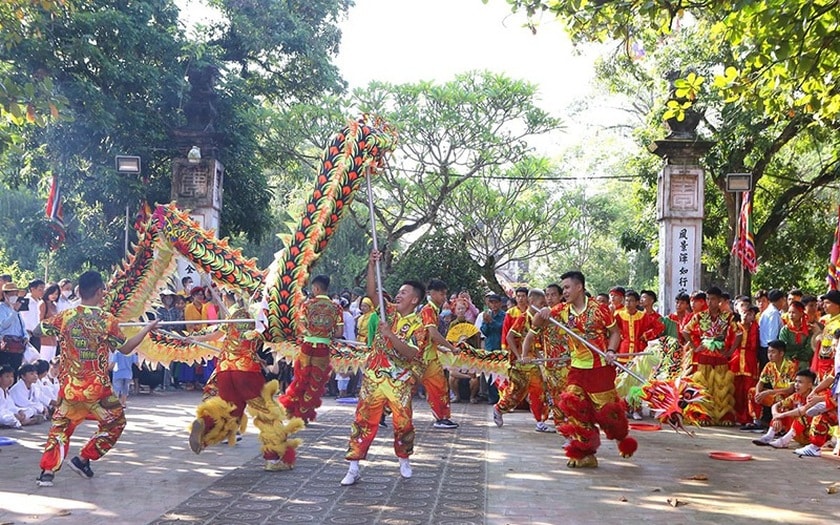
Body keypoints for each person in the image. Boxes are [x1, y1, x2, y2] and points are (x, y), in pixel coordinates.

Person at [34, 270, 158, 488]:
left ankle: (47, 473)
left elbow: (37, 330)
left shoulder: (66, 316)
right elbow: (127, 348)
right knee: (116, 422)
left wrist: (63, 331)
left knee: (61, 428)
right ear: (101, 292)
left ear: (79, 291)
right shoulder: (107, 321)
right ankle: (83, 459)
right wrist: (147, 329)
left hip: (70, 389)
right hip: (97, 391)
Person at [188, 291, 303, 471]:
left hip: (225, 369)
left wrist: (195, 338)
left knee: (230, 410)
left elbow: (214, 336)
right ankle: (273, 460)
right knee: (267, 413)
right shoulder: (260, 318)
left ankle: (205, 425)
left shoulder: (234, 317)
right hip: (246, 371)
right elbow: (280, 338)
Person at [341, 250, 426, 486]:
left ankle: (404, 459)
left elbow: (412, 352)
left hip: (399, 380)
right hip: (373, 377)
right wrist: (371, 264)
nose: (398, 295)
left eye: (404, 293)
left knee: (403, 421)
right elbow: (372, 292)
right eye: (398, 292)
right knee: (363, 420)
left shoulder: (419, 325)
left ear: (415, 300)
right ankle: (353, 465)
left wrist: (391, 336)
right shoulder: (387, 311)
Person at [551, 271, 636, 468]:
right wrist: (543, 314)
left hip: (600, 368)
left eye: (566, 287)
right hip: (576, 369)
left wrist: (612, 350)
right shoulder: (562, 310)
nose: (563, 292)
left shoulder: (600, 309)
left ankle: (623, 438)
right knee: (575, 408)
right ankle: (585, 453)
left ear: (579, 287)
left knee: (608, 415)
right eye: (563, 288)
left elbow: (615, 333)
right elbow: (537, 323)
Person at [279, 274, 342, 423]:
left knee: (301, 379)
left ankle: (293, 410)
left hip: (307, 347)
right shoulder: (336, 307)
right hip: (323, 348)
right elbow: (339, 332)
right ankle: (304, 413)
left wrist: (310, 332)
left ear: (316, 288)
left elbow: (300, 327)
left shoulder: (307, 305)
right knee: (315, 382)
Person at [682, 286, 741, 426]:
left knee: (722, 386)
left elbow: (739, 333)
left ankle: (723, 416)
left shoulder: (728, 316)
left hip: (720, 356)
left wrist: (731, 350)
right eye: (707, 299)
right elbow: (685, 331)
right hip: (704, 356)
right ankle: (704, 415)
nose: (709, 302)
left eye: (713, 299)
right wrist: (695, 347)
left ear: (720, 300)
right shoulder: (699, 316)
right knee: (704, 386)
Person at [497, 288, 553, 432]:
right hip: (521, 363)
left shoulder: (540, 319)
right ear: (532, 302)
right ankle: (499, 408)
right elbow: (509, 337)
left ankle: (540, 421)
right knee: (516, 393)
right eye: (541, 304)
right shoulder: (522, 318)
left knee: (538, 390)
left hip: (533, 363)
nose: (542, 307)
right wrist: (519, 356)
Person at [416, 278, 458, 430]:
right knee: (439, 387)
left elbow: (429, 337)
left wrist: (442, 348)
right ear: (431, 293)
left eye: (445, 294)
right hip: (426, 358)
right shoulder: (428, 310)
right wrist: (451, 347)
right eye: (441, 294)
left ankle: (381, 413)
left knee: (407, 386)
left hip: (426, 355)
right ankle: (441, 418)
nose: (444, 298)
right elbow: (433, 334)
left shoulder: (432, 310)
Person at [752, 368, 815, 447]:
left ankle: (784, 441)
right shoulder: (796, 396)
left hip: (811, 436)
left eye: (800, 382)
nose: (796, 384)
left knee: (804, 415)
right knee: (781, 409)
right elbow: (776, 405)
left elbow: (802, 411)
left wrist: (781, 415)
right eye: (796, 381)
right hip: (798, 434)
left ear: (810, 385)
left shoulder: (813, 397)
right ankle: (769, 436)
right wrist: (776, 417)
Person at [744, 340, 797, 430]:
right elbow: (760, 383)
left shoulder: (791, 366)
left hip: (788, 396)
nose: (770, 355)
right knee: (752, 392)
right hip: (774, 394)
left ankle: (781, 427)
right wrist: (758, 393)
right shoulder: (769, 366)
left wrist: (769, 392)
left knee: (779, 397)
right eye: (768, 352)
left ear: (781, 353)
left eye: (773, 352)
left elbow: (790, 390)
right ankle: (757, 421)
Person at [730, 306, 759, 426]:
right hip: (736, 359)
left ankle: (748, 417)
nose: (747, 316)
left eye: (750, 314)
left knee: (749, 389)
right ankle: (735, 415)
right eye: (744, 313)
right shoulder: (735, 327)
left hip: (750, 359)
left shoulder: (756, 328)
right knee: (736, 389)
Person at [0, 282, 29, 372]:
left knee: (16, 372)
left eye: (16, 294)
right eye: (11, 294)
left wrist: (26, 336)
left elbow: (22, 326)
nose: (14, 296)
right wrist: (14, 311)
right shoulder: (2, 308)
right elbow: (4, 325)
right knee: (5, 372)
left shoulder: (17, 310)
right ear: (5, 294)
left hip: (18, 347)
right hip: (6, 347)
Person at [20, 279, 45, 352]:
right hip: (27, 335)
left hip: (37, 335)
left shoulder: (40, 302)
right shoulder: (25, 302)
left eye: (44, 289)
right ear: (32, 289)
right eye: (40, 289)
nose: (43, 291)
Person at [38, 283, 60, 362]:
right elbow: (40, 321)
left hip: (53, 339)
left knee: (52, 364)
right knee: (44, 363)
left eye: (56, 294)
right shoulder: (43, 304)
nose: (54, 295)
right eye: (52, 293)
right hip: (44, 340)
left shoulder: (54, 305)